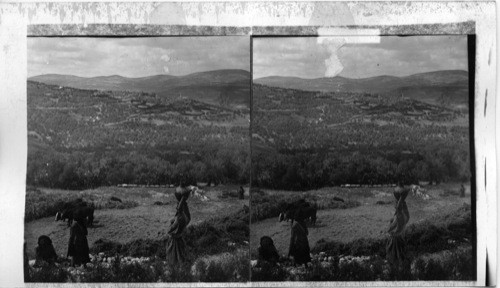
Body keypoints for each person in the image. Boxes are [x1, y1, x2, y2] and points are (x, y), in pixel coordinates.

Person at [386, 182, 410, 278]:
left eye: (396, 206)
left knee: (396, 257)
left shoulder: (400, 215)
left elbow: (394, 227)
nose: (394, 207)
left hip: (397, 239)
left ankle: (397, 272)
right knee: (400, 257)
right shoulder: (402, 215)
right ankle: (400, 270)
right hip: (399, 237)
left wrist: (389, 230)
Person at [166, 185, 191, 265]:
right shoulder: (184, 217)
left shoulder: (180, 217)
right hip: (180, 240)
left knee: (176, 260)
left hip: (176, 242)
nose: (176, 207)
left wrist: (170, 226)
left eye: (177, 205)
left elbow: (171, 230)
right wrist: (183, 202)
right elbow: (188, 217)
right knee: (182, 258)